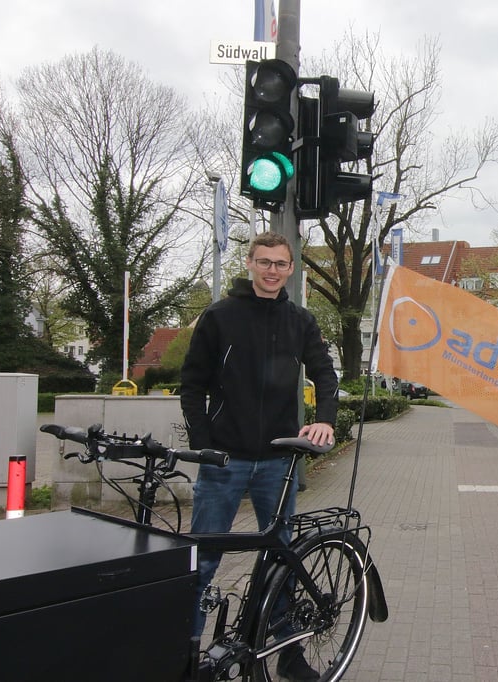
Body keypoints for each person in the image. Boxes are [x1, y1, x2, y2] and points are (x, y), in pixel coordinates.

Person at [180, 231, 338, 682]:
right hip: (224, 461)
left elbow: (326, 373)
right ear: (249, 263)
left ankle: (286, 653)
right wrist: (204, 443)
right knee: (203, 559)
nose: (272, 270)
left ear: (291, 269)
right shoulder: (219, 317)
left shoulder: (300, 321)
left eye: (280, 264)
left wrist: (324, 417)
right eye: (264, 262)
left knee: (281, 557)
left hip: (277, 460)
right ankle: (187, 656)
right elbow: (192, 385)